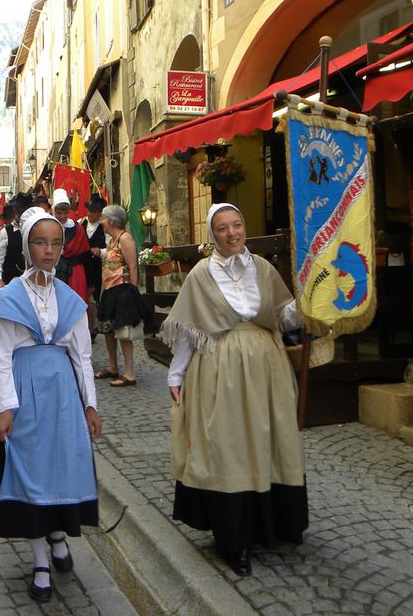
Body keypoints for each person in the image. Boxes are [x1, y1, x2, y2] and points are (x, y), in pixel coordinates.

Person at [162, 203, 307, 577]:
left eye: (237, 225)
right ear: (214, 234)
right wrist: (175, 376)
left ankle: (276, 523)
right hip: (219, 367)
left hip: (266, 366)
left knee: (269, 438)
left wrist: (310, 304)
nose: (232, 233)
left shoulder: (264, 268)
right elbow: (189, 333)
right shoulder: (200, 274)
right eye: (223, 228)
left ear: (245, 227)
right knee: (227, 447)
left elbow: (284, 315)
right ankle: (234, 538)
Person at [0, 206, 101, 603]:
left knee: (61, 468)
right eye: (40, 242)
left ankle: (58, 535)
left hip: (63, 397)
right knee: (30, 471)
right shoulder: (9, 296)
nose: (49, 251)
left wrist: (90, 405)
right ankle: (40, 558)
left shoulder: (70, 299)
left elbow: (82, 356)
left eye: (55, 243)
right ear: (26, 245)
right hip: (24, 394)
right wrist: (4, 407)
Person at [93, 204, 153, 387]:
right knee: (108, 330)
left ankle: (129, 373)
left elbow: (133, 267)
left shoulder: (125, 239)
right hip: (110, 290)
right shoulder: (112, 240)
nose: (101, 222)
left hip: (122, 290)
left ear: (111, 220)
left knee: (123, 331)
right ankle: (112, 366)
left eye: (103, 218)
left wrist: (132, 292)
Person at [51, 189, 89, 303]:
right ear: (53, 211)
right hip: (53, 270)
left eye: (65, 213)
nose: (62, 216)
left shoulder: (77, 228)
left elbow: (85, 254)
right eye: (59, 213)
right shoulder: (48, 227)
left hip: (74, 272)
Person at [0, 193, 32, 290]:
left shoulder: (36, 229)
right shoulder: (6, 232)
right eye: (20, 211)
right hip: (12, 284)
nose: (23, 214)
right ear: (15, 211)